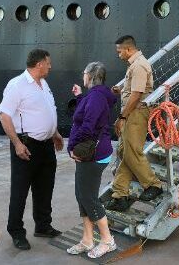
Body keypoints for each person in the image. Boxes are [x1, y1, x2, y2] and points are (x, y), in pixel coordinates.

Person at [0, 49, 64, 251]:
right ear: (39, 64)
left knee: (45, 188)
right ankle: (16, 231)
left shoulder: (43, 84)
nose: (50, 66)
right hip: (26, 146)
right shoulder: (16, 85)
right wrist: (17, 143)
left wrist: (55, 133)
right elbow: (4, 115)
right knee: (20, 191)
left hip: (46, 146)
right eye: (48, 63)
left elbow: (45, 112)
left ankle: (43, 226)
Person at [66, 62, 117, 259]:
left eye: (84, 73)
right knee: (82, 195)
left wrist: (72, 146)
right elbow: (85, 114)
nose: (82, 75)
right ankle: (88, 239)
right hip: (90, 153)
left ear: (91, 75)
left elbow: (88, 125)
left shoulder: (96, 96)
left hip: (93, 154)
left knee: (89, 197)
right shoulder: (94, 95)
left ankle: (107, 240)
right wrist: (79, 97)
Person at [107, 35, 162, 212]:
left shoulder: (139, 65)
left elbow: (137, 94)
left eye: (119, 51)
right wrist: (122, 90)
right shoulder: (135, 65)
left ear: (128, 49)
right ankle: (120, 195)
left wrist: (122, 117)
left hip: (136, 113)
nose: (118, 54)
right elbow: (135, 90)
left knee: (132, 152)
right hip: (133, 112)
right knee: (124, 151)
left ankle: (153, 185)